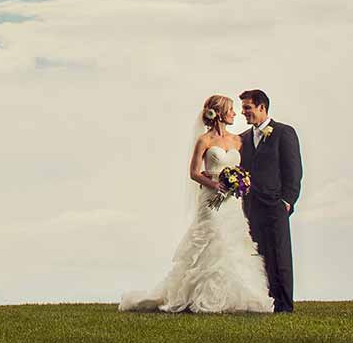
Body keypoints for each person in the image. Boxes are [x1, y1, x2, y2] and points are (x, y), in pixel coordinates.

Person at [117, 94, 274, 314]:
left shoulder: (238, 140)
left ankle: (238, 297)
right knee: (211, 241)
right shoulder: (205, 141)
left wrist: (239, 182)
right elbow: (193, 172)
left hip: (232, 203)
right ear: (219, 113)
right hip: (210, 200)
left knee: (235, 244)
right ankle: (202, 296)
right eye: (230, 110)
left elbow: (246, 167)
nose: (235, 113)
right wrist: (214, 183)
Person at [236, 88, 302, 312]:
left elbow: (293, 171)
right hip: (250, 207)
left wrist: (287, 202)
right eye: (243, 108)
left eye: (247, 107)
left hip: (275, 206)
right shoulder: (243, 139)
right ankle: (264, 303)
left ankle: (284, 305)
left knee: (279, 256)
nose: (243, 112)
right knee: (257, 255)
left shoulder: (284, 133)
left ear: (262, 107)